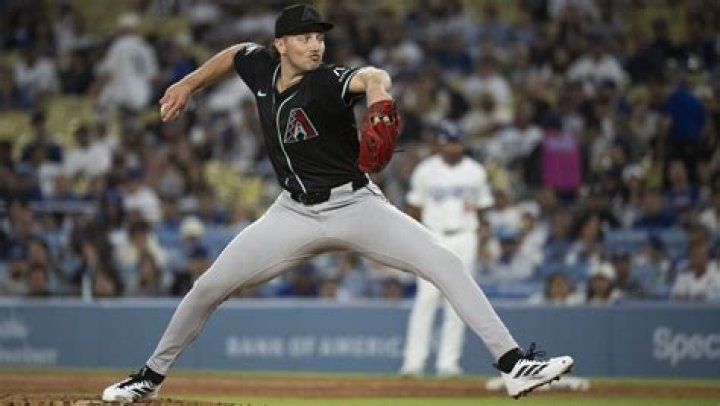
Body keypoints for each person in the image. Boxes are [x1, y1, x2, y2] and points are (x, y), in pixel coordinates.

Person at [102, 4, 573, 402]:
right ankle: (149, 378)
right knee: (208, 287)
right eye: (304, 38)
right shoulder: (260, 67)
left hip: (355, 206)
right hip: (292, 212)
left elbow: (371, 76)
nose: (315, 45)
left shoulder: (328, 81)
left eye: (319, 38)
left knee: (445, 263)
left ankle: (514, 365)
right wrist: (188, 84)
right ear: (280, 45)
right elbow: (233, 53)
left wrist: (379, 95)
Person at [399, 122, 494, 377]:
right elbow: (414, 210)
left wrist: (483, 241)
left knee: (459, 302)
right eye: (448, 142)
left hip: (465, 236)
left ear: (462, 143)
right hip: (433, 236)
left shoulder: (475, 171)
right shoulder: (425, 171)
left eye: (456, 142)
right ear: (440, 143)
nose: (452, 146)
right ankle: (413, 363)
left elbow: (483, 211)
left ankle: (448, 364)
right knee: (426, 300)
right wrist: (413, 243)